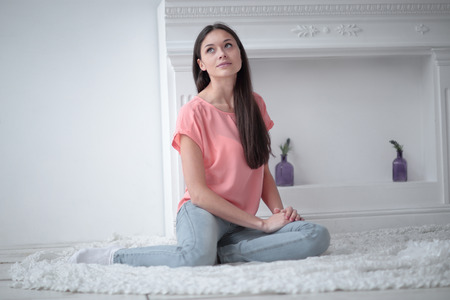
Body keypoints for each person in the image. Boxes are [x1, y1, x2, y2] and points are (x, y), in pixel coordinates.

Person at [69, 23, 330, 267]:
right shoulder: (192, 112)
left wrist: (278, 215)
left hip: (239, 223)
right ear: (201, 64)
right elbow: (198, 193)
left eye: (228, 45)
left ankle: (222, 253)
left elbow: (262, 172)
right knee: (195, 256)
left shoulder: (256, 105)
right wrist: (262, 225)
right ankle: (115, 256)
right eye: (211, 49)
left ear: (239, 54)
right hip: (202, 212)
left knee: (316, 235)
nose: (222, 54)